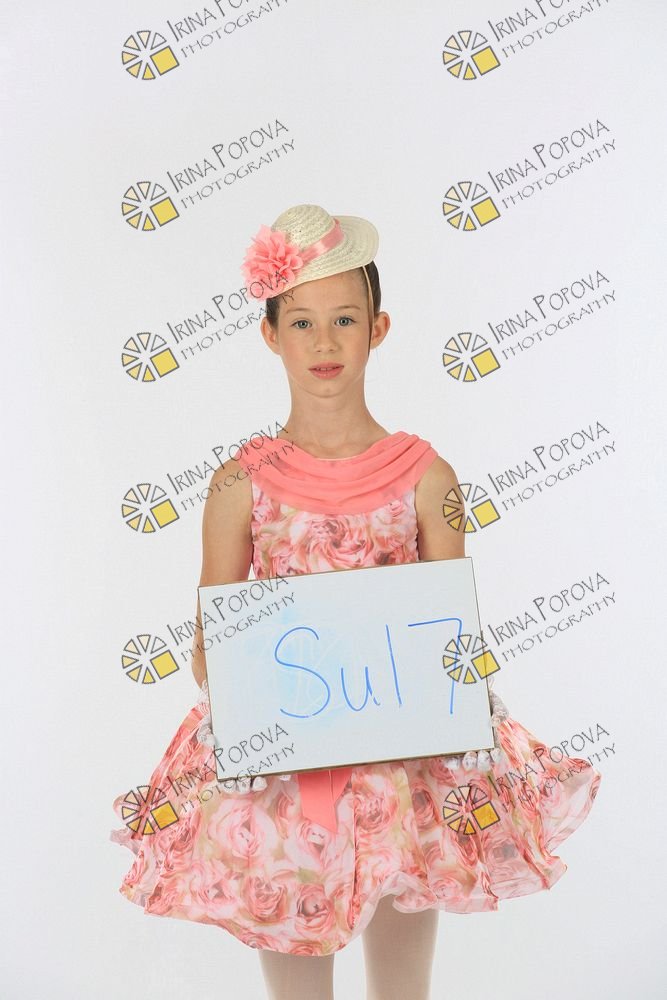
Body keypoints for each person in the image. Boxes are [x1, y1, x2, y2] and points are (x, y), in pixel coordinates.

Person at [110, 203, 602, 1000]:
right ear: (270, 335)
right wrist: (260, 684)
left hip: (405, 772)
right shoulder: (240, 484)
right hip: (284, 765)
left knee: (402, 990)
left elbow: (451, 638)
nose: (324, 342)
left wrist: (434, 689)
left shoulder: (427, 477)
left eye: (343, 319)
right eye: (302, 323)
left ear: (377, 329)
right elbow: (210, 647)